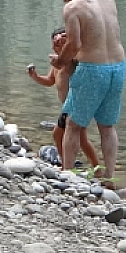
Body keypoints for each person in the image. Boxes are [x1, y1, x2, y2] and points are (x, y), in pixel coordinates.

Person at [48, 0, 126, 185]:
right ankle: (109, 177)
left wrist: (60, 62)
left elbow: (75, 45)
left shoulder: (72, 7)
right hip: (118, 67)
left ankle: (67, 174)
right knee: (107, 126)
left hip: (93, 69)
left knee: (73, 124)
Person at [25, 28, 100, 171]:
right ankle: (66, 163)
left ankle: (96, 168)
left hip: (77, 104)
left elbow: (79, 58)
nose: (56, 48)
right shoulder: (56, 64)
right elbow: (49, 81)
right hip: (67, 106)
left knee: (81, 138)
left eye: (60, 44)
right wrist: (35, 76)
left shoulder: (73, 61)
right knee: (58, 134)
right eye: (55, 45)